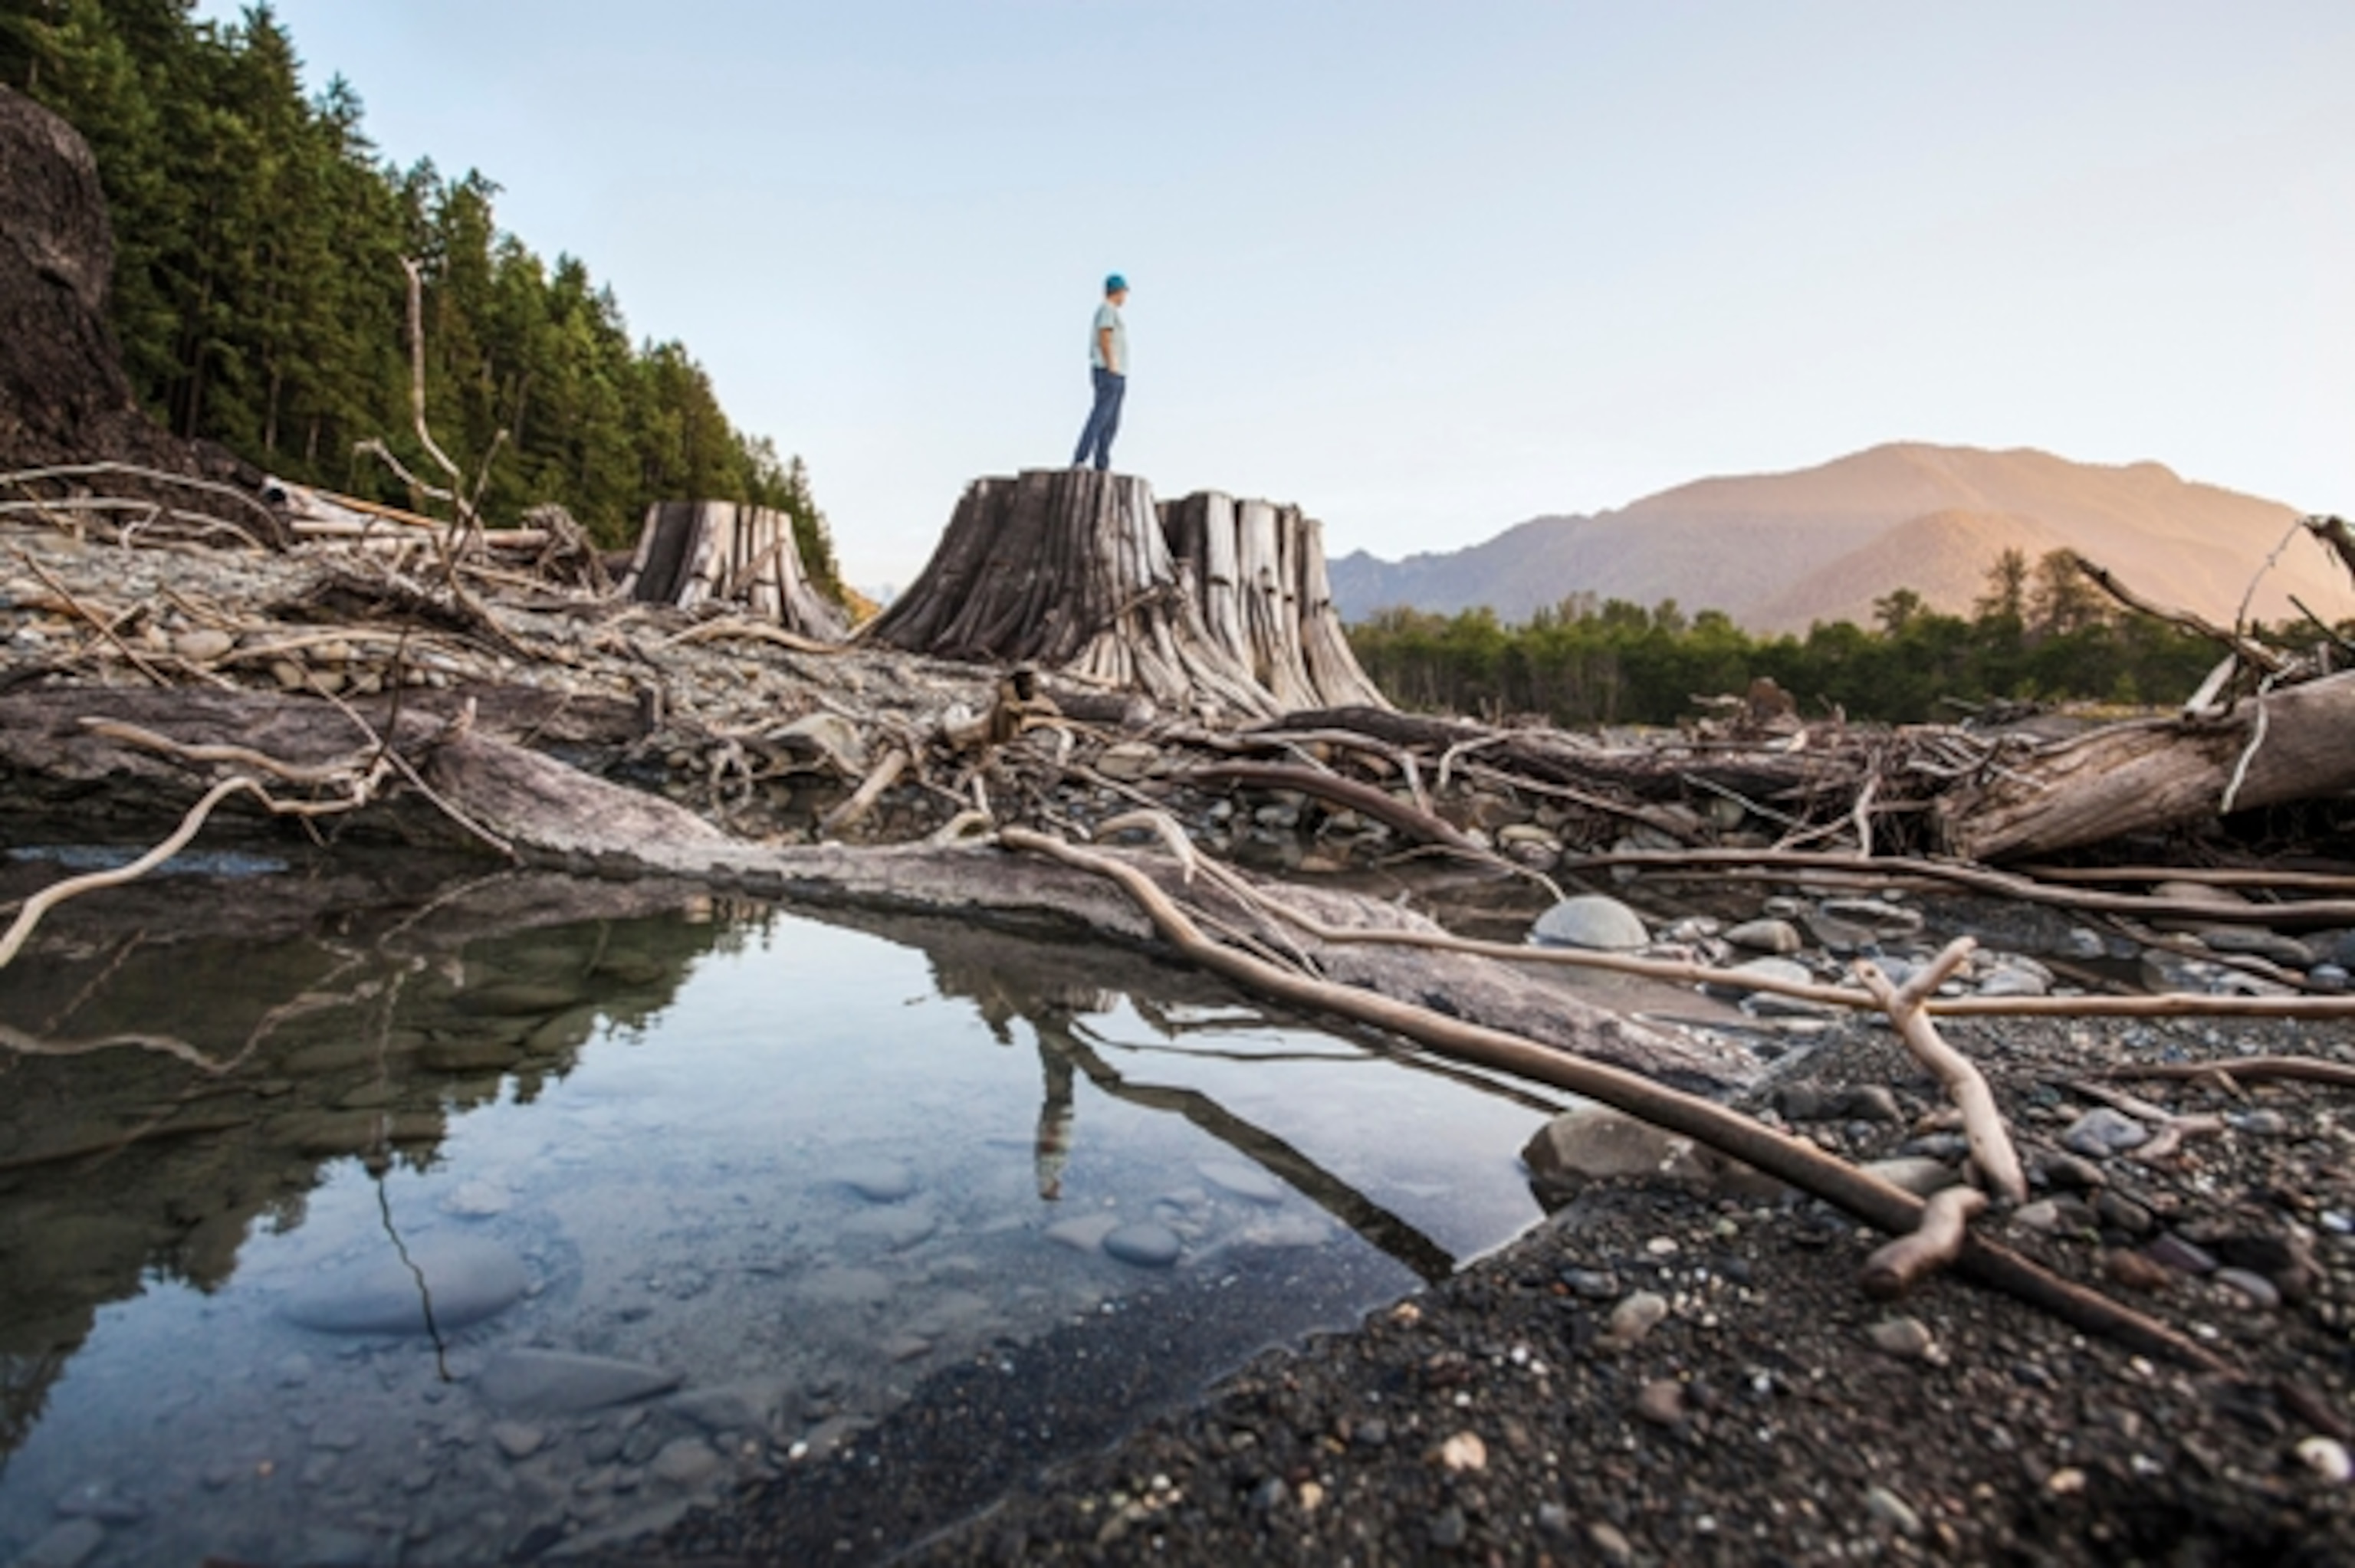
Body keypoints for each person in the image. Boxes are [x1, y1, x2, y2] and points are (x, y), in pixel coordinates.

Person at [1072, 274, 1129, 472]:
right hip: (1109, 371)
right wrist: (1111, 364)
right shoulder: (1107, 310)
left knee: (1112, 421)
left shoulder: (1112, 311)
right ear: (1119, 292)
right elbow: (1104, 336)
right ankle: (1081, 458)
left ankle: (1102, 464)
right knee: (1100, 416)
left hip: (1119, 372)